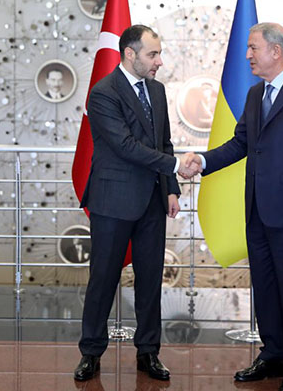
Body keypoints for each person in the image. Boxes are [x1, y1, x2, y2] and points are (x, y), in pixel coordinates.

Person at [184, 23, 283, 390]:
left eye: (253, 48)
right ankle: (272, 355)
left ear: (275, 51)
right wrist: (202, 161)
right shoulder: (255, 95)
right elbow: (240, 144)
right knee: (265, 287)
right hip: (257, 212)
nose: (248, 55)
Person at [74, 24, 199, 382]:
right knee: (103, 279)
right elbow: (125, 146)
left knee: (150, 280)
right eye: (153, 54)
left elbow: (164, 142)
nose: (159, 61)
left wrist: (171, 188)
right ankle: (91, 353)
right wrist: (174, 165)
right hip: (112, 201)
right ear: (130, 54)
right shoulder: (103, 93)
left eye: (159, 53)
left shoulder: (156, 90)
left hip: (152, 202)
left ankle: (148, 352)